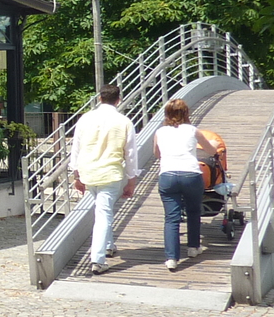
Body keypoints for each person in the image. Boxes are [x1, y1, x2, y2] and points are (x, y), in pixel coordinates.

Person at [69, 83, 139, 275]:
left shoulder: (85, 119)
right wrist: (131, 179)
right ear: (119, 100)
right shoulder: (124, 122)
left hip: (88, 172)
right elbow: (130, 153)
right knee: (104, 213)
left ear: (99, 98)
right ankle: (98, 259)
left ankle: (108, 245)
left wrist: (76, 174)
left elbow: (76, 147)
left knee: (101, 212)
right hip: (111, 173)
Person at [154, 98, 221, 270]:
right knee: (193, 211)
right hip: (191, 174)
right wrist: (211, 145)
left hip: (167, 175)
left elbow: (157, 154)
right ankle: (193, 247)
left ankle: (171, 258)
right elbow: (212, 151)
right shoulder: (193, 131)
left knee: (171, 218)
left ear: (167, 114)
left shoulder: (160, 132)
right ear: (186, 113)